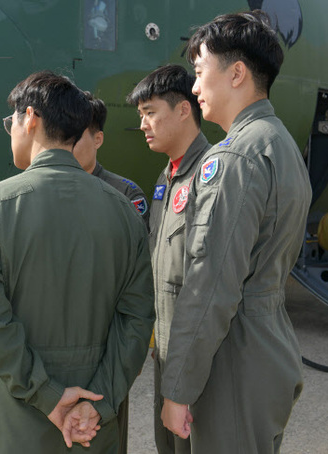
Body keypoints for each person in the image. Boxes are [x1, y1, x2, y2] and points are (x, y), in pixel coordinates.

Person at [0, 71, 155, 453]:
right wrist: (99, 398)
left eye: (11, 120)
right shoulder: (123, 209)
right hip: (94, 419)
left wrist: (47, 394)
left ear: (29, 119)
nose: (10, 130)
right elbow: (137, 317)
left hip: (14, 416)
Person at [159, 11, 311, 453]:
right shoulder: (278, 142)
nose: (194, 86)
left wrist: (179, 388)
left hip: (233, 361)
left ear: (237, 73)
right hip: (267, 347)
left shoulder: (235, 157)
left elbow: (211, 284)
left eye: (201, 71)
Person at [125, 63, 211, 454]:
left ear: (183, 110)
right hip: (167, 346)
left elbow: (209, 281)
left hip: (196, 353)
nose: (143, 124)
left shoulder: (210, 175)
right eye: (140, 115)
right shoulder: (167, 176)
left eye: (150, 113)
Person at [71, 91, 148, 454]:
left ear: (98, 138)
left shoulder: (124, 194)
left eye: (78, 136)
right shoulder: (46, 190)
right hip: (57, 336)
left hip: (107, 343)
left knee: (104, 435)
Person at [73, 91, 150, 226]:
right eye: (61, 137)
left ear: (97, 140)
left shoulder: (126, 194)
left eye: (74, 137)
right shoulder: (43, 191)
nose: (65, 144)